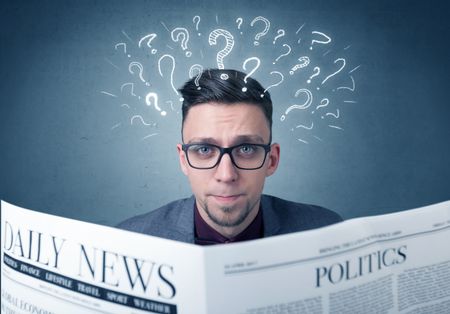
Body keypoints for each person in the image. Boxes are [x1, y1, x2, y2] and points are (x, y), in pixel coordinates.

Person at [117, 69, 342, 245]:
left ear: (271, 160)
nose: (226, 175)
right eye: (204, 150)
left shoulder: (328, 232)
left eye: (246, 149)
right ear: (184, 160)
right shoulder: (127, 243)